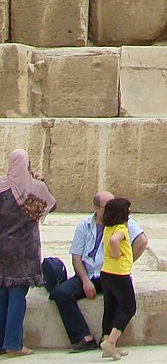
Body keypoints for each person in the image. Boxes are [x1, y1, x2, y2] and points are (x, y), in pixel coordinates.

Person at [47, 192, 147, 353]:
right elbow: (76, 257)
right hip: (88, 273)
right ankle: (83, 337)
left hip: (108, 273)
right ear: (96, 208)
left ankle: (107, 339)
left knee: (114, 301)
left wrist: (124, 264)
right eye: (107, 207)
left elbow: (141, 241)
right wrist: (85, 281)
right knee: (61, 294)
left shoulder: (122, 221)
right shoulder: (84, 225)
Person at [0, 149, 56, 358]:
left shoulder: (1, 187)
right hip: (24, 250)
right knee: (17, 295)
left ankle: (2, 342)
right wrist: (41, 182)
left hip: (2, 248)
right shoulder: (35, 188)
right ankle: (14, 344)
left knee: (2, 294)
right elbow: (51, 205)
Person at [99, 197, 136, 361]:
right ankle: (111, 342)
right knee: (129, 307)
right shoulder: (121, 229)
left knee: (111, 307)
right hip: (119, 274)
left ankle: (106, 339)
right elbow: (115, 241)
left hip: (106, 272)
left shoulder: (108, 228)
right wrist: (117, 253)